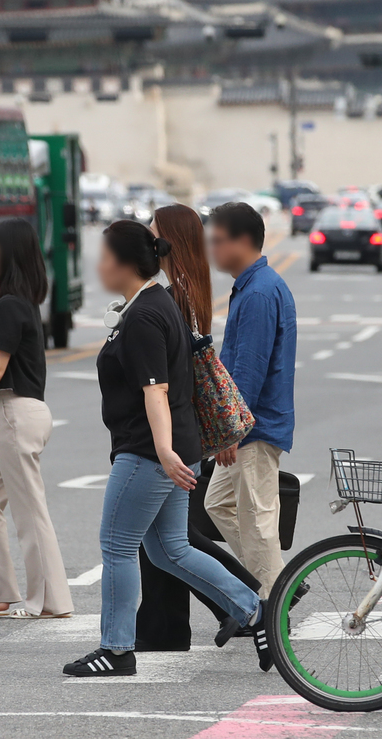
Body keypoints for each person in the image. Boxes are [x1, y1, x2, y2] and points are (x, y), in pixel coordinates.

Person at [63, 221, 267, 677]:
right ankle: (256, 611)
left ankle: (116, 650)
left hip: (150, 452)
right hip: (170, 448)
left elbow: (156, 390)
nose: (97, 266)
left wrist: (163, 450)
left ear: (122, 263)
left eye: (103, 256)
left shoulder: (144, 315)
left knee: (117, 545)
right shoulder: (155, 303)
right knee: (169, 549)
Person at [135, 204, 262, 652]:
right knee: (166, 538)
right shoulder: (183, 287)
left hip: (175, 424)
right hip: (179, 424)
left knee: (165, 538)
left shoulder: (175, 292)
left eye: (154, 235)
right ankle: (173, 624)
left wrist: (213, 435)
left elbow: (186, 371)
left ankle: (242, 602)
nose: (149, 243)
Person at [0, 219, 73, 620]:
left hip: (15, 415)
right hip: (16, 416)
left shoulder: (11, 305)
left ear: (8, 255)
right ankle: (0, 593)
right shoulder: (16, 303)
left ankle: (49, 601)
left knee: (29, 512)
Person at [204, 202, 296, 597]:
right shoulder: (253, 285)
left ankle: (275, 602)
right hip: (250, 424)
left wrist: (230, 431)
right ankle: (270, 583)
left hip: (253, 427)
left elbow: (249, 370)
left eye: (219, 241)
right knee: (219, 503)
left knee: (257, 518)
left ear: (243, 241)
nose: (213, 249)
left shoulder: (259, 292)